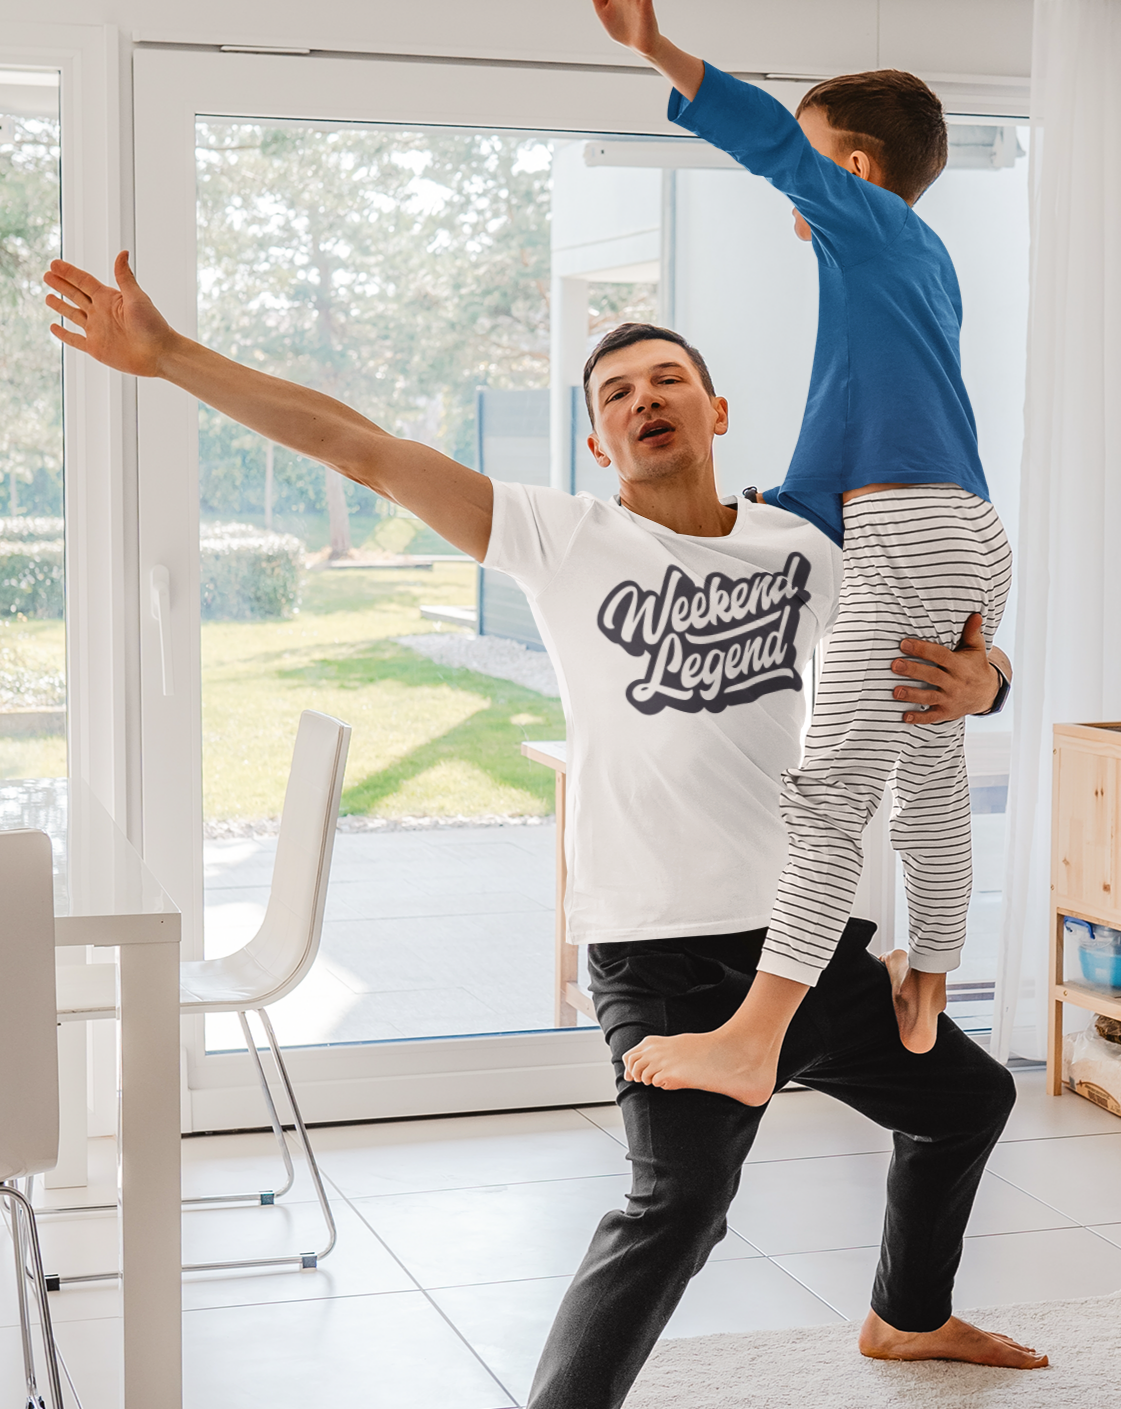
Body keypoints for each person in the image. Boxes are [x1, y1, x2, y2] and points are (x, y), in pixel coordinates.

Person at [45, 260, 1044, 1403]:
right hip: (662, 953)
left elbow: (946, 636)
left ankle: (906, 1318)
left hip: (807, 943)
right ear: (594, 443)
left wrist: (990, 681)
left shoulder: (806, 544)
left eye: (666, 379)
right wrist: (169, 355)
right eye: (615, 393)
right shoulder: (560, 538)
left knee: (967, 1099)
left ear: (716, 412)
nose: (642, 398)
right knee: (677, 1205)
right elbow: (357, 446)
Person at [593, 0, 1013, 1110]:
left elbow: (772, 144)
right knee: (929, 768)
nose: (798, 188)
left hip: (906, 529)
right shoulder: (921, 264)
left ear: (855, 170)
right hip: (965, 527)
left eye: (816, 165)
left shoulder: (870, 225)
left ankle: (753, 1036)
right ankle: (928, 974)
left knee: (830, 796)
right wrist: (779, 503)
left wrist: (657, 51)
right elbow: (856, 418)